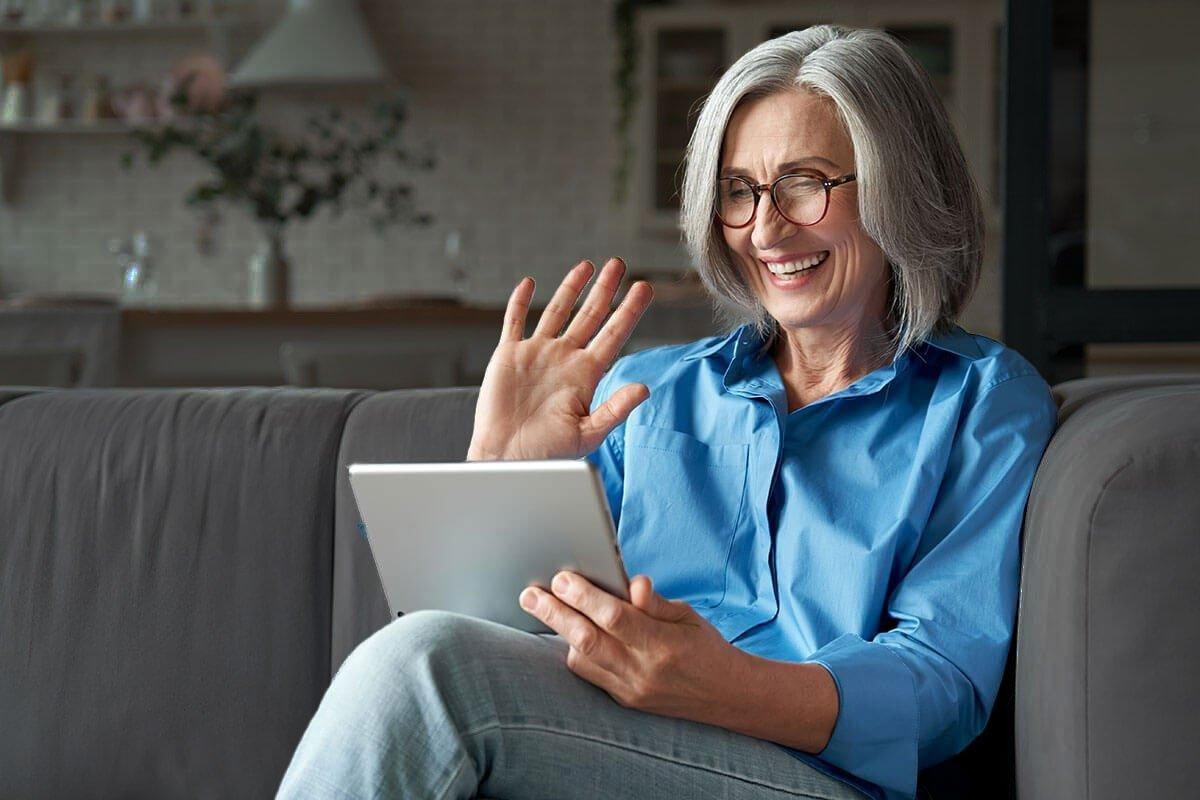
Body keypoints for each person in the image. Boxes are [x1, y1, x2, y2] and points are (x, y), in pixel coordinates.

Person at [277, 25, 1057, 800]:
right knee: (422, 657)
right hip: (612, 747)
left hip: (822, 777)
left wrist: (728, 686)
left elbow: (946, 682)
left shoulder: (981, 400)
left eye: (806, 182)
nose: (767, 228)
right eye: (739, 192)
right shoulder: (647, 393)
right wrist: (501, 467)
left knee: (424, 668)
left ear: (900, 184)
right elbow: (495, 643)